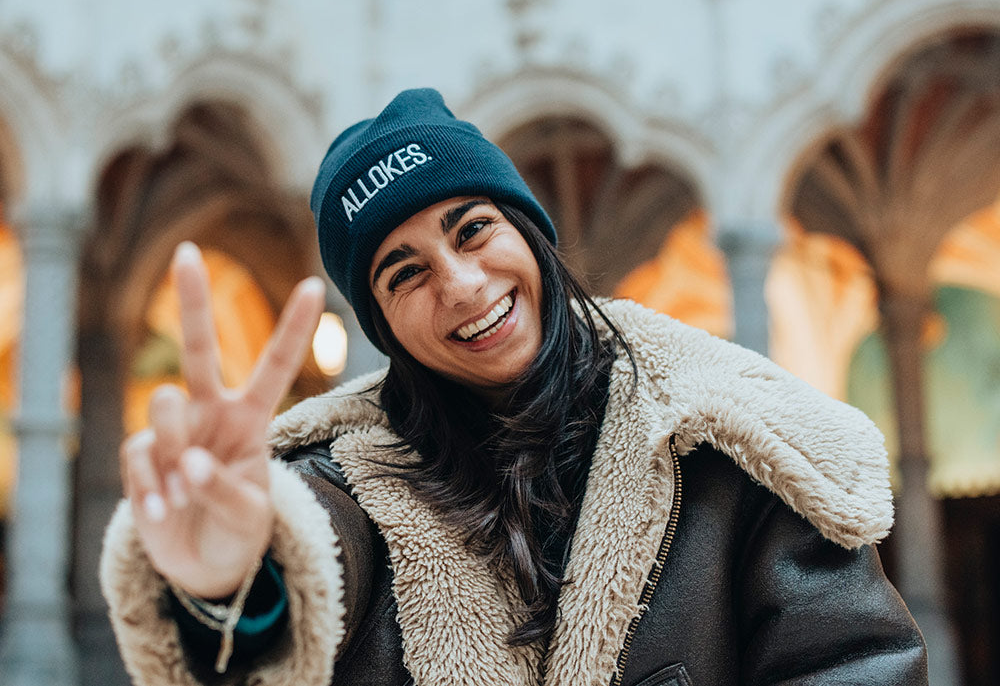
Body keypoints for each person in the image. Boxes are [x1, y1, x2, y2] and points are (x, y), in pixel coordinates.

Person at [101, 88, 928, 686]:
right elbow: (311, 579)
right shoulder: (346, 483)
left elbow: (852, 660)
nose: (460, 284)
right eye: (405, 272)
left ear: (529, 232)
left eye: (473, 229)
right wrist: (237, 589)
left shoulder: (729, 433)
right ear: (384, 326)